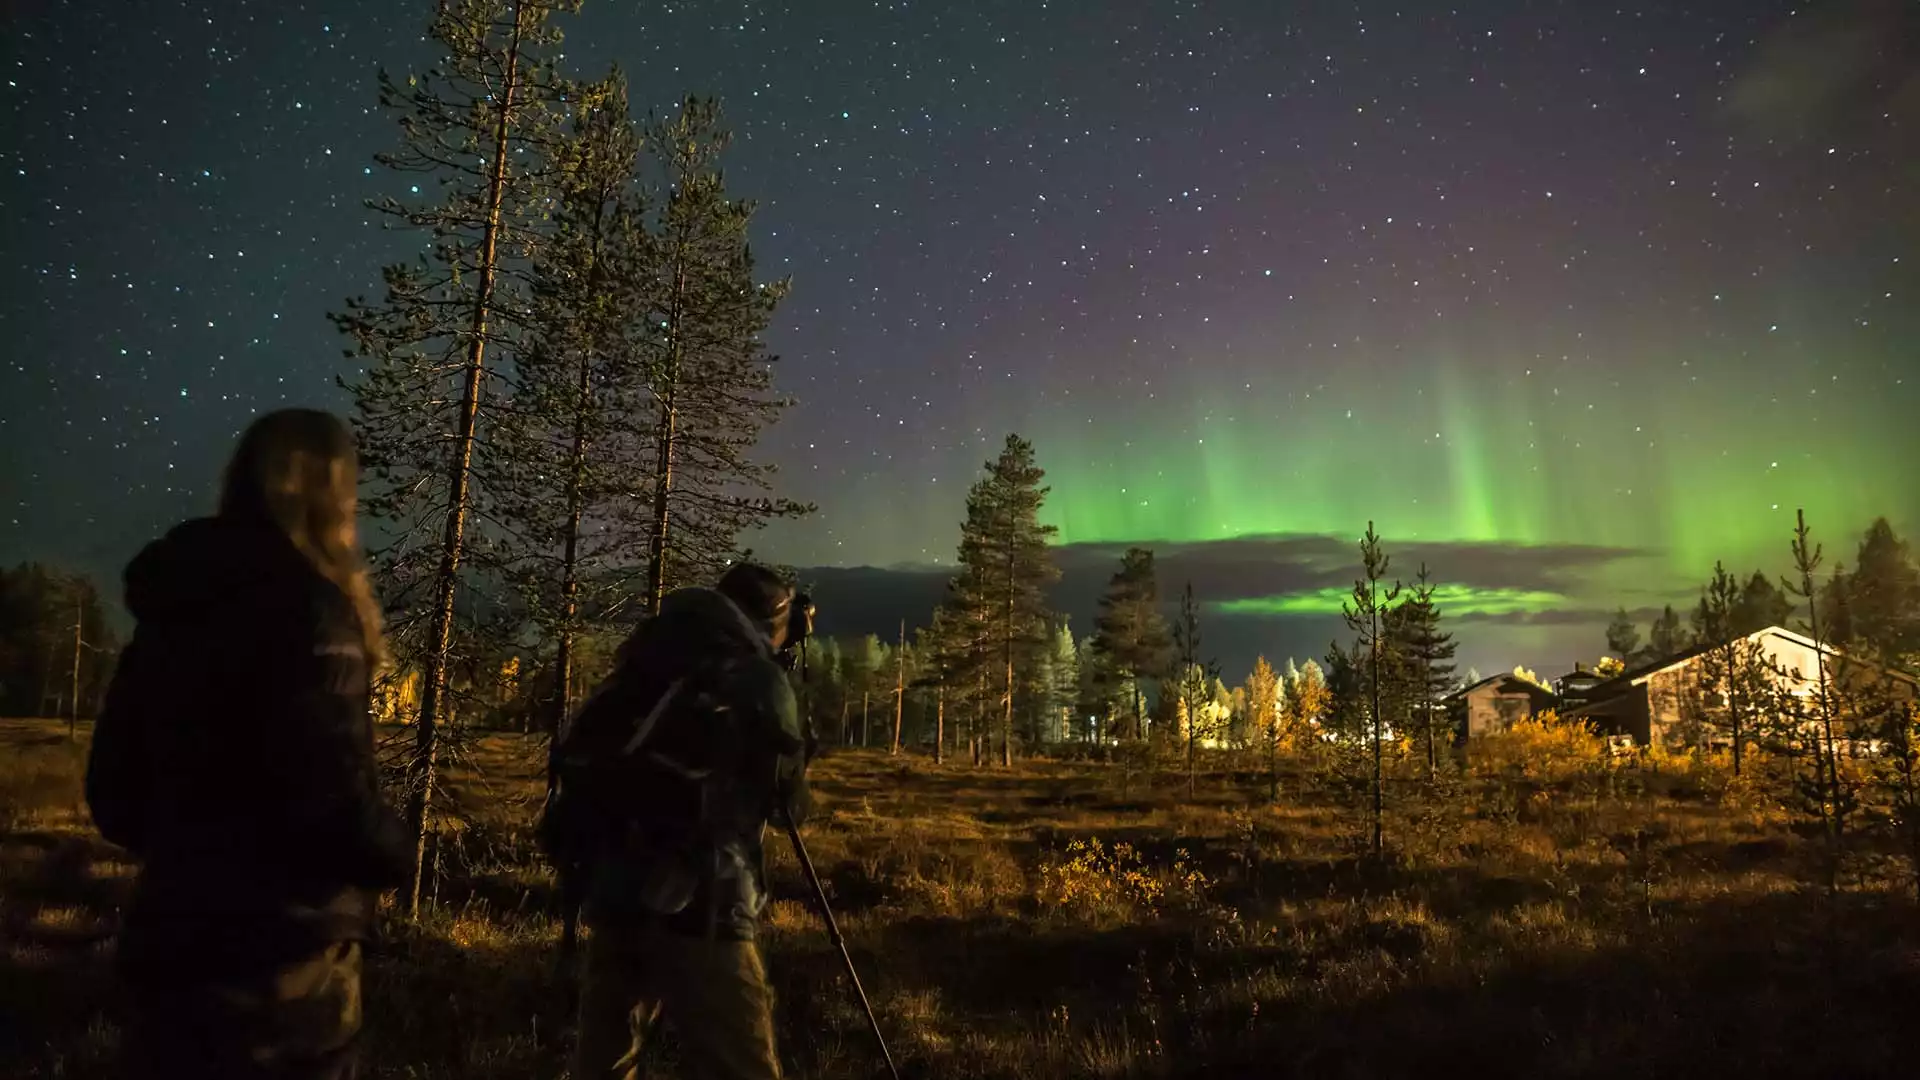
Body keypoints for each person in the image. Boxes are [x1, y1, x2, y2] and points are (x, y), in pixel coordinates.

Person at [85, 408, 413, 1080]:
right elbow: (334, 805)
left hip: (172, 942)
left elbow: (114, 798)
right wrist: (394, 848)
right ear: (329, 492)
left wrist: (196, 850)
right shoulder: (313, 612)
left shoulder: (170, 611)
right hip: (286, 961)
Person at [554, 562, 814, 1080]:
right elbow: (792, 806)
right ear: (772, 621)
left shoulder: (651, 659)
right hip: (705, 901)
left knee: (604, 1060)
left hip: (616, 891)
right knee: (740, 1064)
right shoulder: (752, 676)